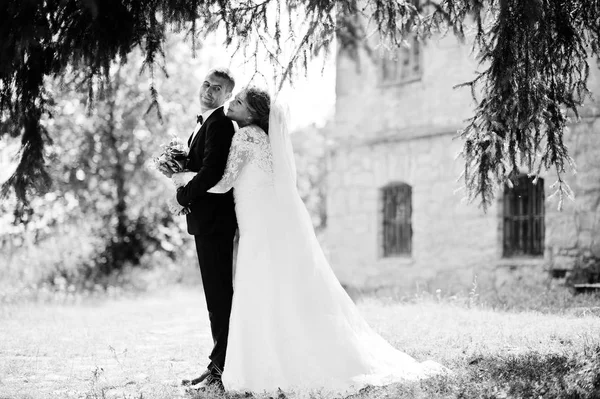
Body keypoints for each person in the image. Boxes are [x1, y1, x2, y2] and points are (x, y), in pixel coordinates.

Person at [173, 86, 449, 396]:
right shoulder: (263, 137)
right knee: (274, 286)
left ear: (250, 114)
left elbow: (223, 185)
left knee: (260, 285)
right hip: (264, 217)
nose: (231, 103)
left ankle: (265, 363)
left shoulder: (245, 136)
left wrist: (182, 178)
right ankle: (274, 353)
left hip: (258, 222)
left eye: (238, 101)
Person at [163, 68, 238, 391]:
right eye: (206, 84)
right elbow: (199, 167)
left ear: (227, 95)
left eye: (217, 88)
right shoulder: (206, 121)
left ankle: (221, 370)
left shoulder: (220, 122)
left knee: (220, 298)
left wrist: (182, 194)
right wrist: (178, 170)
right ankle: (217, 365)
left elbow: (211, 172)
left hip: (216, 221)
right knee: (215, 298)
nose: (209, 91)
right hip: (206, 221)